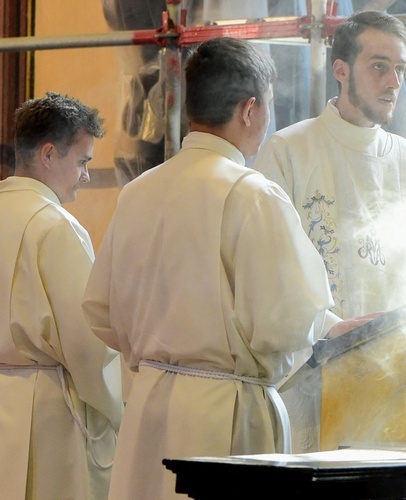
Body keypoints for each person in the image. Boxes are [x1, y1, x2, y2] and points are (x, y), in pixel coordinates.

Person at [82, 37, 342, 499]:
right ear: (249, 110)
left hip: (147, 406)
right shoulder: (252, 194)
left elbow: (100, 309)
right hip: (223, 418)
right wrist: (325, 330)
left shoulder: (139, 191)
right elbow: (287, 323)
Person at [254, 9, 406, 321]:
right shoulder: (288, 151)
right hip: (318, 360)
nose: (393, 82)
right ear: (341, 70)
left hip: (404, 358)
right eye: (379, 66)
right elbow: (268, 277)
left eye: (400, 69)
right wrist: (331, 331)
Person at [0, 92, 123, 499]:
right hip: (46, 411)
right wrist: (122, 409)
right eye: (83, 161)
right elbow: (88, 348)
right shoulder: (55, 226)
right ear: (49, 154)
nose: (86, 176)